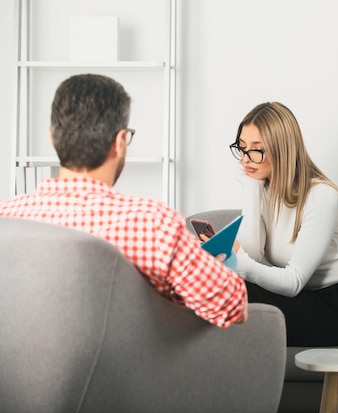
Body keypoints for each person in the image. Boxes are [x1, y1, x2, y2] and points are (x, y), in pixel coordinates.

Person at [0, 73, 247, 328]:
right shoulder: (152, 224)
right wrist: (217, 268)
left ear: (51, 138)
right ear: (119, 142)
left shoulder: (6, 218)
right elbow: (233, 308)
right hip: (124, 365)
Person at [228, 101, 338, 346]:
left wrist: (236, 261)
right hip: (303, 303)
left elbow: (294, 281)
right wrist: (251, 187)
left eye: (256, 149)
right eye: (242, 148)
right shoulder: (263, 189)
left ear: (282, 149)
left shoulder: (321, 197)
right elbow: (252, 253)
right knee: (221, 284)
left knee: (234, 288)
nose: (246, 159)